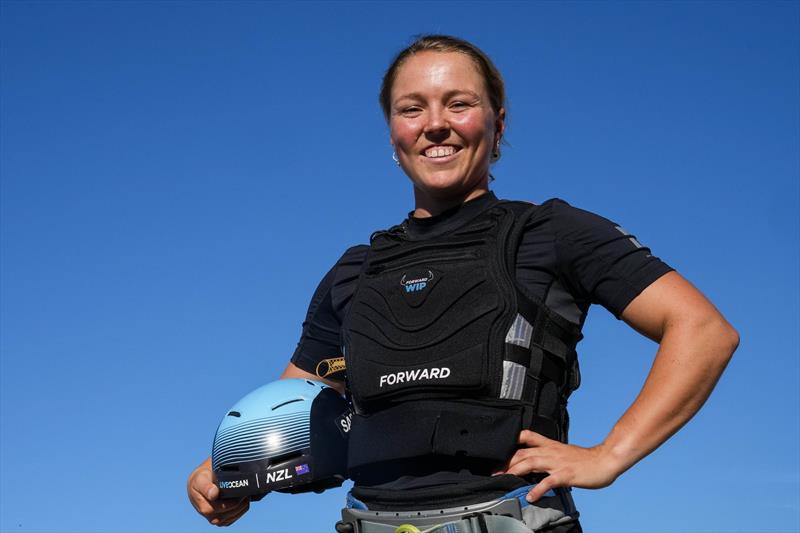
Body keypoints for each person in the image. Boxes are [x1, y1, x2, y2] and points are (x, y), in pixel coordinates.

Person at [187, 35, 739, 532]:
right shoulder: (356, 268)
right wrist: (225, 469)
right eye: (412, 108)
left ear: (498, 125)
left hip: (513, 520)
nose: (435, 124)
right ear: (393, 135)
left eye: (459, 103)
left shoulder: (551, 232)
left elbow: (703, 330)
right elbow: (293, 403)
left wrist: (610, 453)